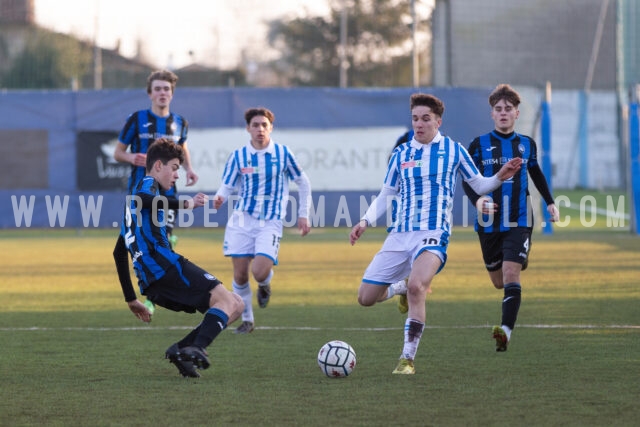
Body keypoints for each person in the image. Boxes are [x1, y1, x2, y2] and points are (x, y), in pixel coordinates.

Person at [349, 93, 522, 375]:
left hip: (433, 234)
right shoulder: (401, 154)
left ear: (438, 121)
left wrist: (499, 176)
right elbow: (386, 194)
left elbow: (478, 184)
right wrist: (365, 221)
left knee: (419, 286)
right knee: (366, 297)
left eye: (425, 119)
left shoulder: (453, 150)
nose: (419, 124)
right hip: (399, 235)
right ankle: (398, 288)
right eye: (415, 118)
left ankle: (407, 359)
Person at [118, 138, 244, 378]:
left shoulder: (131, 211)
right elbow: (145, 199)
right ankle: (197, 348)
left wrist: (130, 298)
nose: (176, 176)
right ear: (157, 166)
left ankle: (182, 350)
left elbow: (118, 252)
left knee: (235, 304)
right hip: (166, 267)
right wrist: (185, 203)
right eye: (174, 168)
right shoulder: (146, 185)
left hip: (152, 284)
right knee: (228, 302)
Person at [462, 84, 559, 352]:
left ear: (517, 113)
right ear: (492, 114)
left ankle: (505, 331)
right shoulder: (478, 145)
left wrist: (550, 203)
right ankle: (515, 260)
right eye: (498, 109)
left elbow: (536, 174)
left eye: (508, 109)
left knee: (510, 271)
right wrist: (478, 200)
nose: (503, 113)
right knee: (498, 281)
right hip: (488, 224)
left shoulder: (526, 144)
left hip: (519, 219)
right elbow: (468, 180)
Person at [213, 107, 312, 334]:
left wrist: (304, 214)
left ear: (271, 128)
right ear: (248, 128)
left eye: (264, 125)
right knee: (239, 274)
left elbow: (303, 182)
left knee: (259, 271)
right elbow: (227, 184)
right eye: (255, 125)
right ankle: (247, 319)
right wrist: (220, 197)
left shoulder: (283, 153)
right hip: (242, 221)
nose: (260, 129)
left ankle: (265, 285)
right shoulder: (238, 156)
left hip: (270, 221)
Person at [112, 70, 198, 313]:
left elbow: (182, 148)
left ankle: (157, 293)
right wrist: (132, 157)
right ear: (150, 93)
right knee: (133, 243)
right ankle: (148, 288)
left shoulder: (180, 122)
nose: (162, 93)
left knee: (163, 240)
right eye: (158, 89)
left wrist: (189, 169)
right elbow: (117, 152)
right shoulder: (137, 119)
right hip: (140, 195)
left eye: (167, 89)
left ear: (172, 94)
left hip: (167, 195)